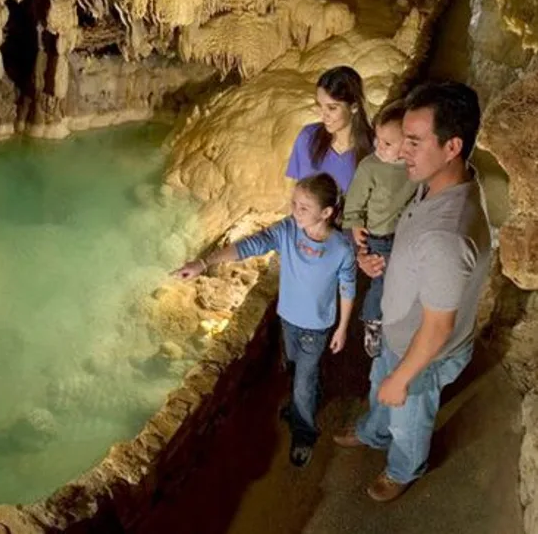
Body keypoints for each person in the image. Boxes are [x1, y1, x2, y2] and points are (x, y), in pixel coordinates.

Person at [334, 82, 491, 503]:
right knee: (379, 390)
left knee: (409, 418)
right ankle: (372, 431)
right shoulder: (434, 183)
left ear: (452, 145)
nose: (403, 151)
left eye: (415, 142)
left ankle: (404, 468)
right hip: (398, 333)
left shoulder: (446, 235)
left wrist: (403, 376)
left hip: (423, 355)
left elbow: (438, 327)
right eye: (404, 139)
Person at [173, 173, 355, 468]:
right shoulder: (287, 231)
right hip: (288, 320)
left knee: (303, 384)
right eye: (294, 203)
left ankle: (304, 433)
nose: (295, 211)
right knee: (295, 370)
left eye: (303, 208)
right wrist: (204, 263)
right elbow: (250, 245)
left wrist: (344, 326)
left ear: (326, 213)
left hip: (317, 327)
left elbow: (347, 286)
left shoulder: (341, 249)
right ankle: (302, 403)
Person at [341, 100, 417, 358]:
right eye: (377, 139)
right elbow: (354, 203)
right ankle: (372, 321)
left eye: (387, 143)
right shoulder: (370, 167)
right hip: (379, 237)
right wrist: (355, 226)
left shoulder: (413, 167)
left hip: (403, 234)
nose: (378, 147)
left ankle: (396, 319)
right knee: (383, 281)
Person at [287, 66, 374, 193]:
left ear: (354, 107)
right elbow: (296, 193)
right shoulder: (307, 138)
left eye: (332, 108)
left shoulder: (377, 148)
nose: (323, 115)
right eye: (320, 105)